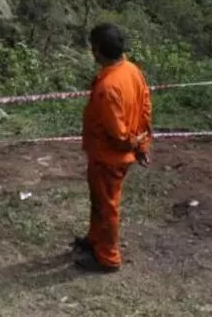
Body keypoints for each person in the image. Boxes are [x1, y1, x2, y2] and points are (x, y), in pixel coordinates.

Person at [73, 22, 153, 273]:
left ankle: (108, 257)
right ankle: (95, 241)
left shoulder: (108, 88)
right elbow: (145, 107)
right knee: (99, 200)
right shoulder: (131, 70)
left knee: (107, 205)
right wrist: (142, 144)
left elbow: (118, 133)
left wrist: (135, 144)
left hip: (109, 157)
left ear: (97, 50)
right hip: (109, 154)